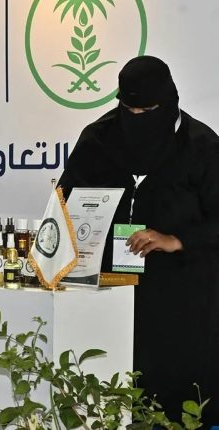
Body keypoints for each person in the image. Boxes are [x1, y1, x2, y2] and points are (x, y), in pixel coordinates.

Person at [58, 55, 219, 425]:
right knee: (110, 391)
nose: (137, 117)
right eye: (129, 110)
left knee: (174, 401)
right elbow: (64, 203)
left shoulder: (201, 146)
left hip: (180, 298)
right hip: (110, 293)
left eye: (147, 111)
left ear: (169, 102)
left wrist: (177, 239)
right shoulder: (98, 139)